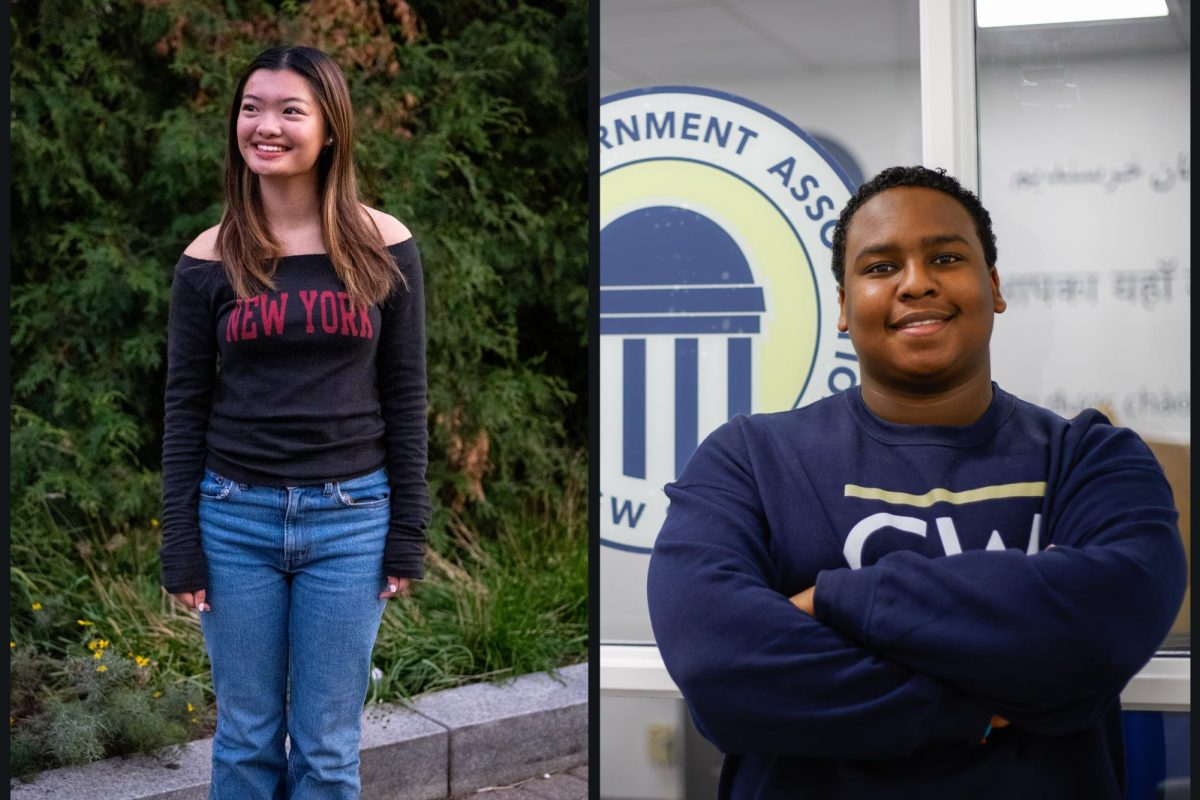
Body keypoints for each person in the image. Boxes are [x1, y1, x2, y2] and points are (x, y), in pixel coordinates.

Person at [646, 165, 1186, 799]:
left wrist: (834, 601)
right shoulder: (749, 460)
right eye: (879, 267)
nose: (916, 283)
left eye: (946, 257)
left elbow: (1107, 621)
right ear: (844, 308)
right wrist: (971, 711)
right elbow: (721, 665)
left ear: (993, 286)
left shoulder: (1091, 457)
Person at [159, 45, 429, 800]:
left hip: (351, 524)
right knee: (244, 741)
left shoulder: (384, 244)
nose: (265, 126)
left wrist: (408, 528)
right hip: (233, 519)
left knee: (326, 751)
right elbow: (184, 409)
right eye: (251, 108)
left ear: (330, 129)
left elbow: (406, 395)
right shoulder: (208, 258)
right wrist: (180, 544)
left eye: (289, 110)